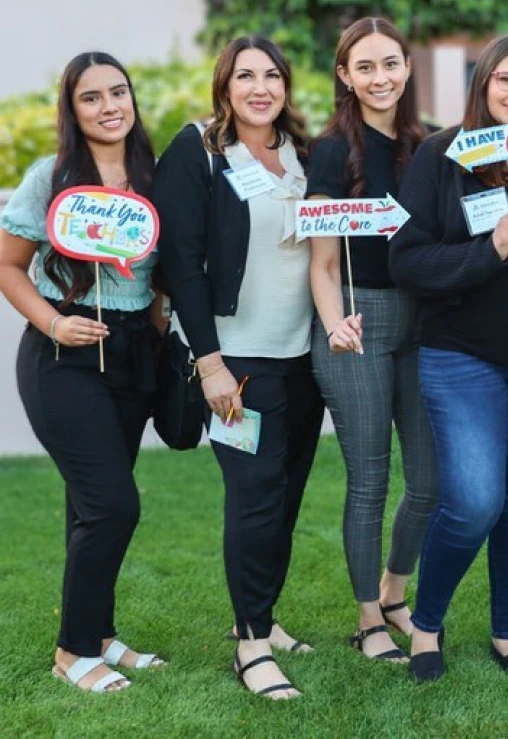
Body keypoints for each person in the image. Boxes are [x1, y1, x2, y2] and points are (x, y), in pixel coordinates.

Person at [389, 33, 508, 683]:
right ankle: (426, 623)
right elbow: (407, 259)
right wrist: (489, 248)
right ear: (483, 84)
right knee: (473, 500)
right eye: (506, 79)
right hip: (460, 354)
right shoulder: (441, 153)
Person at [152, 35, 325, 699]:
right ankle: (252, 646)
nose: (260, 87)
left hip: (300, 356)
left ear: (286, 84)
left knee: (284, 495)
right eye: (245, 75)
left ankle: (261, 614)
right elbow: (181, 262)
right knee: (252, 499)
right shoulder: (198, 149)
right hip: (235, 360)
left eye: (272, 75)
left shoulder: (300, 154)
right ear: (224, 84)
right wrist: (209, 362)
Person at [0, 52, 165, 692]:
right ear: (73, 110)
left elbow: (161, 276)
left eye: (117, 92)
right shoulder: (53, 177)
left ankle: (99, 634)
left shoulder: (153, 176)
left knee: (88, 507)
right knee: (112, 505)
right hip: (63, 351)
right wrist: (52, 322)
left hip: (129, 354)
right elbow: (10, 266)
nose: (108, 106)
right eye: (91, 97)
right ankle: (72, 653)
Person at [307, 17, 436, 662]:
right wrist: (335, 322)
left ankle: (393, 590)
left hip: (424, 324)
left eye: (390, 64)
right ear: (345, 76)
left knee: (430, 482)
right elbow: (323, 263)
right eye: (365, 67)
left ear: (407, 67)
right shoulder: (332, 150)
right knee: (369, 482)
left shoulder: (431, 142)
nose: (379, 78)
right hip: (356, 323)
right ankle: (367, 619)